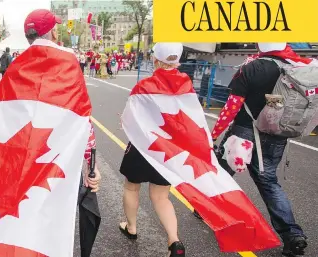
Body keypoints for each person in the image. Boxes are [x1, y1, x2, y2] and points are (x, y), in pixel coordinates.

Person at [209, 43, 313, 257]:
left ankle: (210, 211)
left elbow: (233, 105)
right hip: (275, 132)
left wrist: (215, 133)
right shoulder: (293, 66)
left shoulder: (252, 66)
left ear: (260, 45)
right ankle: (292, 235)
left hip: (244, 132)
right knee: (268, 181)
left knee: (223, 172)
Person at [24, 8, 101, 195]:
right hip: (60, 150)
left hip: (26, 154)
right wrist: (91, 163)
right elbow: (81, 113)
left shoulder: (17, 67)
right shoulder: (68, 60)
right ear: (53, 32)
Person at [119, 43, 185, 257]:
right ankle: (174, 242)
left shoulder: (144, 86)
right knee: (161, 196)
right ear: (178, 62)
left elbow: (127, 118)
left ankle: (131, 227)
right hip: (168, 148)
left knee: (131, 187)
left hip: (142, 145)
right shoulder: (186, 87)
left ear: (156, 61)